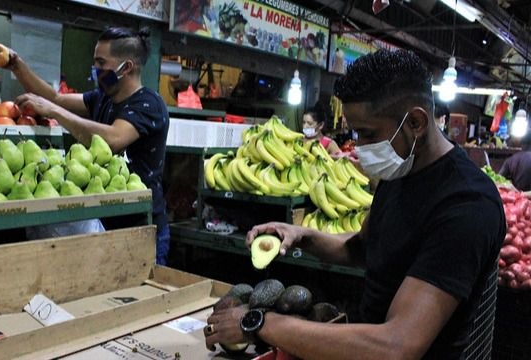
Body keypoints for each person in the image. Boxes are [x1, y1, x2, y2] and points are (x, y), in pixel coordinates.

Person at [204, 49, 505, 359]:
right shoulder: (400, 170)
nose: (359, 147)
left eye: (367, 133)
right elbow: (362, 248)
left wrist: (260, 323)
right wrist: (302, 236)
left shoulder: (466, 205)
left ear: (415, 122)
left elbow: (397, 345)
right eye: (355, 133)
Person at [0, 27, 171, 265]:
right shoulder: (103, 98)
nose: (96, 70)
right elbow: (55, 98)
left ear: (126, 67)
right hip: (106, 219)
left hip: (142, 226)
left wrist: (55, 112)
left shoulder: (149, 104)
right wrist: (16, 65)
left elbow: (113, 139)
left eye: (101, 63)